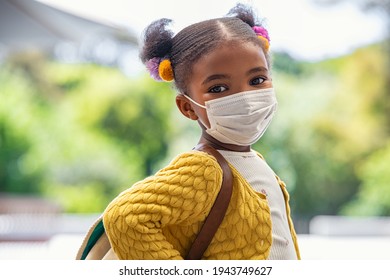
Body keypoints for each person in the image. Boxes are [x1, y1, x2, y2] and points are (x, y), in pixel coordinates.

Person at [102, 3, 300, 260]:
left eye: (257, 80)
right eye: (218, 88)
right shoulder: (204, 169)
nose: (247, 98)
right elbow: (125, 217)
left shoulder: (250, 160)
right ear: (188, 107)